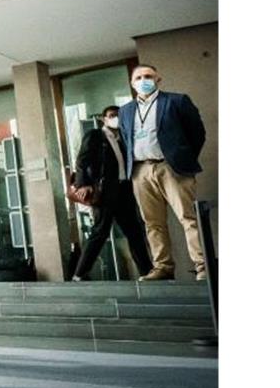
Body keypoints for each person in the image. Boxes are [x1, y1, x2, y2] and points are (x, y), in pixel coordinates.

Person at [118, 65, 208, 281]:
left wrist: (181, 158)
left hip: (172, 168)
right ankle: (163, 267)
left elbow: (197, 133)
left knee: (188, 218)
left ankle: (203, 266)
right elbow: (125, 138)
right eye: (138, 77)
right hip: (141, 171)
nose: (143, 80)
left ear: (158, 79)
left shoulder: (177, 101)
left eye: (148, 76)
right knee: (152, 223)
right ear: (132, 83)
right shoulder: (126, 110)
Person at [71, 106, 154, 281]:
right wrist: (82, 184)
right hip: (105, 192)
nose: (115, 118)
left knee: (134, 232)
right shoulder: (96, 135)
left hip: (125, 191)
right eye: (112, 116)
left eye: (118, 116)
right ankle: (79, 274)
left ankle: (147, 272)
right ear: (104, 119)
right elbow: (81, 160)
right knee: (100, 232)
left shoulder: (124, 138)